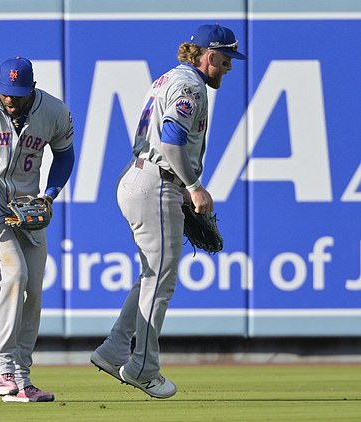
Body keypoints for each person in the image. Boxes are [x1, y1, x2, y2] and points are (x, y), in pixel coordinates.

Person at [90, 24, 247, 398]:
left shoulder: (169, 78)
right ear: (210, 55)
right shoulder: (190, 86)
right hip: (157, 182)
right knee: (161, 281)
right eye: (226, 59)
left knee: (151, 275)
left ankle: (114, 349)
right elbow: (171, 137)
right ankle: (144, 366)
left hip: (142, 178)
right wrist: (194, 187)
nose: (229, 67)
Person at [0, 57, 74, 402]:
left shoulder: (54, 111)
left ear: (32, 88)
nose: (10, 100)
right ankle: (4, 368)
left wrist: (50, 195)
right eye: (6, 93)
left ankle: (22, 377)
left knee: (35, 292)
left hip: (28, 211)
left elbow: (65, 156)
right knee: (14, 277)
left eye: (18, 94)